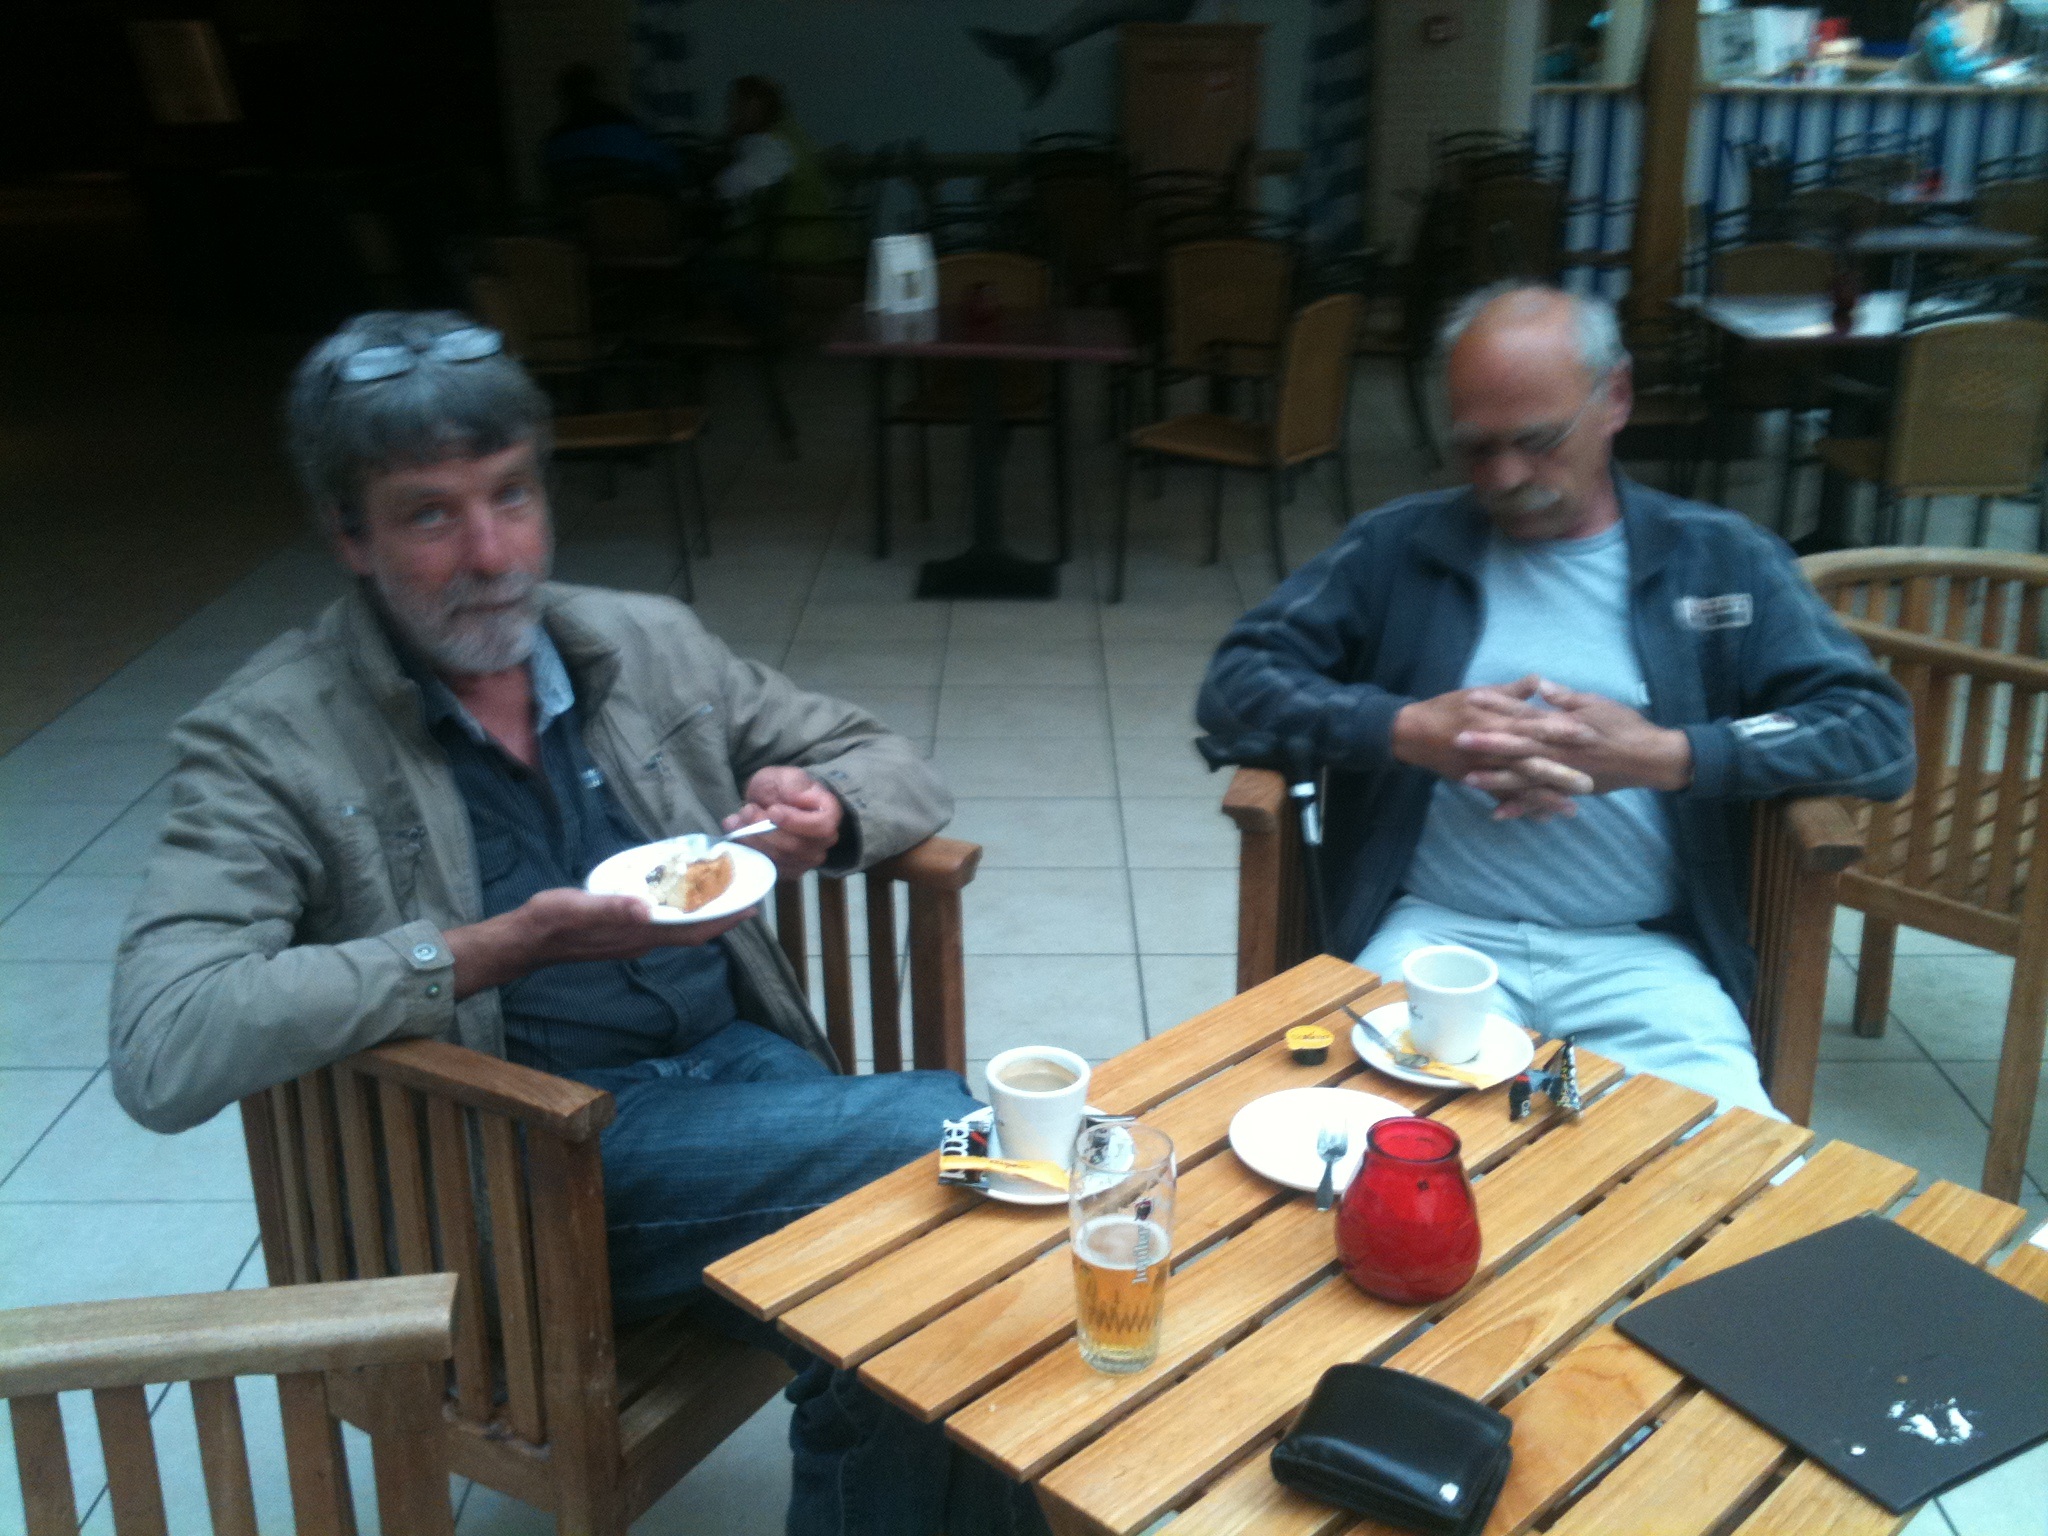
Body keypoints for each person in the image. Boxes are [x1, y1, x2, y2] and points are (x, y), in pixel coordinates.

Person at [108, 310, 1045, 1536]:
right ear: (351, 535)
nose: (492, 552)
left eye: (511, 496)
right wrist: (498, 947)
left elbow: (884, 760)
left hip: (740, 1091)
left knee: (951, 1256)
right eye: (431, 514)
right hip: (526, 1161)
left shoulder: (638, 641)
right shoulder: (271, 736)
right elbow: (162, 1043)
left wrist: (826, 810)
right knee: (953, 1145)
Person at [1196, 284, 1914, 1117]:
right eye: (1476, 448)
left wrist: (1666, 756)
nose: (1505, 476)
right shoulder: (1399, 550)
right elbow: (1237, 688)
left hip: (1644, 957)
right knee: (1362, 1161)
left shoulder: (1719, 560)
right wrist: (1406, 728)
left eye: (1536, 441)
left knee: (1728, 1195)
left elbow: (1875, 734)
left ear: (1615, 397)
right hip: (1437, 940)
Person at [543, 62, 682, 182]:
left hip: (582, 212)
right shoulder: (625, 131)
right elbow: (670, 165)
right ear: (598, 89)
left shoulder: (554, 146)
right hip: (639, 210)